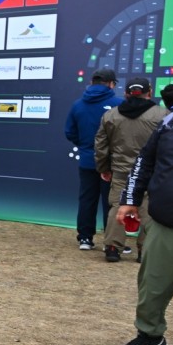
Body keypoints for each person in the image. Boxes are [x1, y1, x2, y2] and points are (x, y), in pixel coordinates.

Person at [114, 84, 173, 345]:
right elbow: (145, 161)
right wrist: (130, 199)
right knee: (153, 286)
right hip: (169, 223)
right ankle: (150, 336)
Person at [94, 77, 167, 263]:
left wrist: (103, 167)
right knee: (150, 210)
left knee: (117, 206)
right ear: (149, 92)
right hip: (151, 172)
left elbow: (101, 146)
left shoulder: (110, 115)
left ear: (126, 93)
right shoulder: (162, 115)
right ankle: (145, 251)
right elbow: (169, 146)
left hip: (121, 171)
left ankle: (112, 247)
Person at [64, 68, 121, 250]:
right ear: (111, 83)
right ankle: (110, 242)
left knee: (87, 199)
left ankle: (85, 239)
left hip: (87, 160)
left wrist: (86, 147)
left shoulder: (78, 104)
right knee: (110, 201)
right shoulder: (118, 104)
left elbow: (69, 132)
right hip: (111, 163)